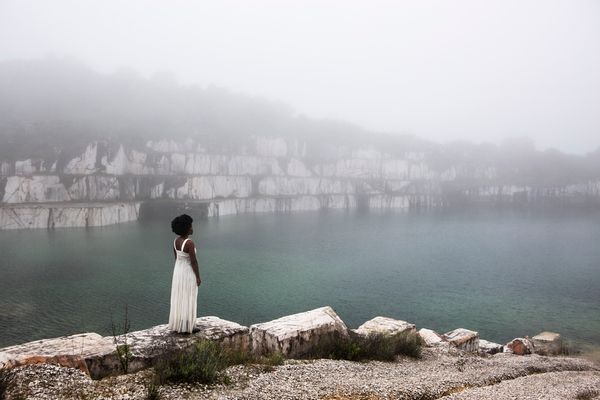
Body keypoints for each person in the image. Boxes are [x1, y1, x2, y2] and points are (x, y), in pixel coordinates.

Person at [168, 214, 202, 333]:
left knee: (180, 296)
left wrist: (179, 270)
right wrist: (197, 277)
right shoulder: (189, 243)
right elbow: (194, 262)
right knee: (189, 296)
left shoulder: (175, 241)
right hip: (188, 272)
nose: (192, 228)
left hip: (178, 271)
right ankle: (189, 326)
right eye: (191, 226)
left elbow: (176, 258)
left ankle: (179, 324)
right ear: (187, 227)